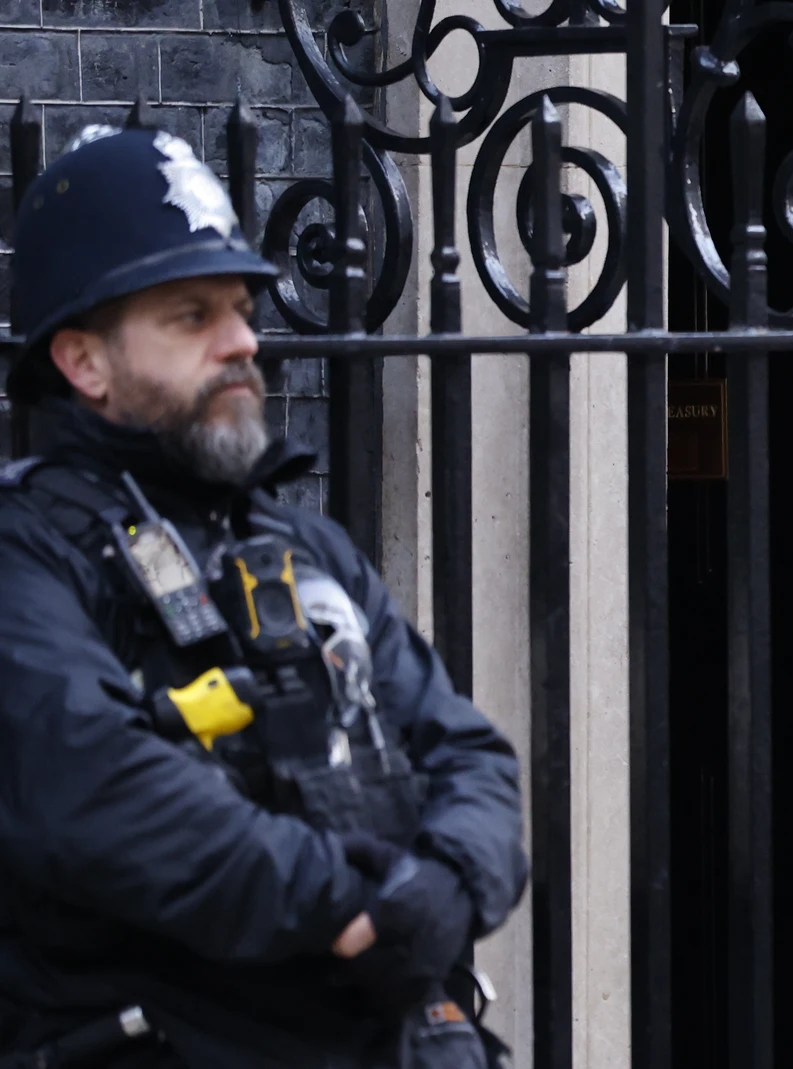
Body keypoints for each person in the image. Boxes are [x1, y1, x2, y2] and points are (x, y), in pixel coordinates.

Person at [0, 127, 528, 1068]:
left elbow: (468, 750)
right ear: (85, 363)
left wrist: (448, 882)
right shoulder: (26, 555)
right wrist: (358, 903)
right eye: (191, 316)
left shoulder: (300, 544)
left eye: (241, 309)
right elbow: (100, 796)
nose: (245, 341)